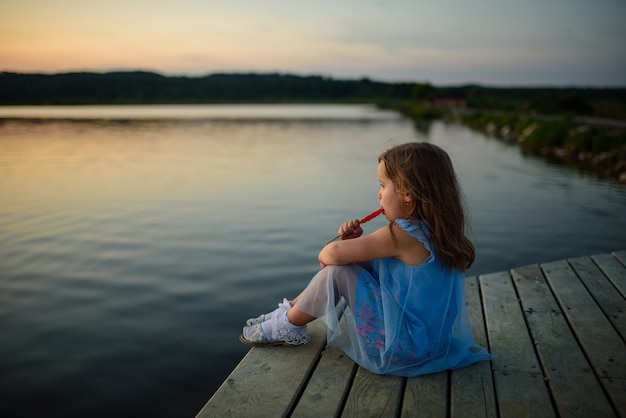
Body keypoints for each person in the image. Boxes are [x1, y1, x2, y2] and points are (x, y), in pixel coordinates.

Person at [240, 142, 492, 376]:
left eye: (383, 185)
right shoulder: (434, 231)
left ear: (407, 195)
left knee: (337, 272)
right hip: (427, 342)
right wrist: (353, 244)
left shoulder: (402, 233)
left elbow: (330, 256)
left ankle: (289, 325)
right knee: (343, 269)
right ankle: (289, 313)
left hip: (401, 348)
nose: (379, 195)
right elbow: (376, 274)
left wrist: (341, 246)